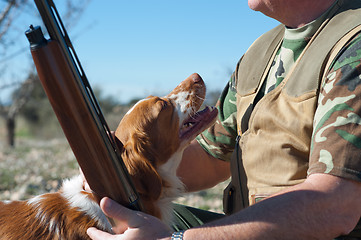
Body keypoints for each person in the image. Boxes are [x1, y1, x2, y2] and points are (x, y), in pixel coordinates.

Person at [86, 0, 361, 239]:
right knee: (118, 223)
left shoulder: (353, 44)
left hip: (315, 233)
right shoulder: (261, 51)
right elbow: (210, 157)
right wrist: (119, 172)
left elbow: (336, 206)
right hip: (254, 227)